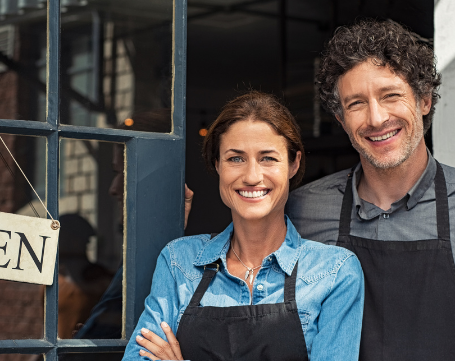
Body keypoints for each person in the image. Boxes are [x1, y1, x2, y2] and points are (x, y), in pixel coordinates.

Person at [285, 20, 455, 360]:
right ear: (341, 120)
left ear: (424, 100)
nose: (376, 118)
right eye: (356, 104)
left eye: (391, 95)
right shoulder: (301, 212)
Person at [122, 91, 364, 361]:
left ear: (294, 164)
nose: (251, 176)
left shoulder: (334, 271)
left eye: (268, 158)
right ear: (217, 165)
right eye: (235, 158)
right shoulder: (179, 261)